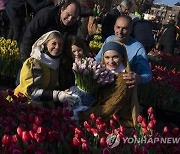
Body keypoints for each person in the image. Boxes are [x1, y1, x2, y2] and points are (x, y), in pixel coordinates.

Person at [79, 41, 139, 127]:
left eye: (115, 57)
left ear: (122, 58)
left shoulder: (125, 79)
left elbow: (110, 108)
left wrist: (82, 114)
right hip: (98, 114)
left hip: (116, 122)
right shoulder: (102, 73)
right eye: (107, 57)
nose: (111, 61)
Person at [14, 30, 78, 108]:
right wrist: (58, 95)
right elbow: (32, 92)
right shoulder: (35, 62)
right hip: (23, 103)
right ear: (45, 44)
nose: (57, 47)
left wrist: (63, 92)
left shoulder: (57, 63)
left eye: (60, 45)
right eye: (54, 43)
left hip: (43, 104)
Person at [96, 15, 152, 88]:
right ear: (114, 27)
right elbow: (98, 59)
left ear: (131, 30)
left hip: (123, 88)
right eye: (118, 27)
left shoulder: (138, 47)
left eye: (124, 29)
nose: (120, 32)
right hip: (104, 84)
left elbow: (147, 73)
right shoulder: (109, 40)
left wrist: (139, 78)